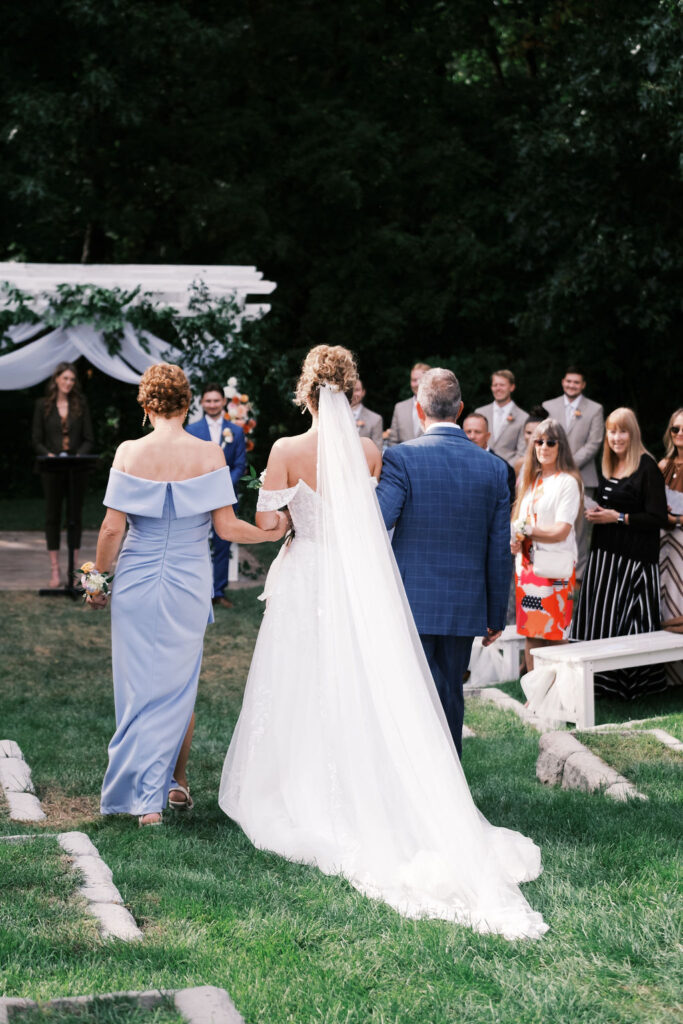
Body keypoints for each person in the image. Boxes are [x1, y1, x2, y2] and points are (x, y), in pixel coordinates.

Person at [220, 347, 546, 940]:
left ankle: (300, 789)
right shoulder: (373, 452)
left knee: (299, 680)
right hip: (355, 583)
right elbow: (374, 523)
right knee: (358, 681)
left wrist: (274, 523)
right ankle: (371, 784)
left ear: (306, 392)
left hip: (305, 576)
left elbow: (269, 527)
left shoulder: (285, 451)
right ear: (351, 392)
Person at [89, 364, 286, 827]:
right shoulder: (209, 453)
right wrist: (271, 532)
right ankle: (158, 793)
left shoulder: (129, 451)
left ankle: (142, 795)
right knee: (177, 687)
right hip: (187, 579)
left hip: (136, 579)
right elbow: (226, 528)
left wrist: (98, 580)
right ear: (187, 402)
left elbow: (112, 528)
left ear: (146, 405)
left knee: (136, 686)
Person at [379, 370, 511, 755]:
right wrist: (496, 615)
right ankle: (449, 773)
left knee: (411, 691)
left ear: (419, 410)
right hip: (464, 603)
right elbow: (498, 549)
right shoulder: (494, 468)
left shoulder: (401, 458)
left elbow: (377, 519)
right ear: (460, 409)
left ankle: (413, 771)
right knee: (451, 690)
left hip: (412, 600)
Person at [570, 408, 668, 699]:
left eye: (622, 431)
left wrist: (618, 517)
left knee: (628, 624)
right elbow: (612, 508)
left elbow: (658, 517)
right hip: (604, 558)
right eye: (612, 431)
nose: (616, 437)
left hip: (633, 562)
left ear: (633, 433)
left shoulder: (647, 467)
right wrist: (598, 513)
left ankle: (631, 687)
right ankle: (598, 684)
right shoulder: (610, 465)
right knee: (601, 621)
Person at [511, 419, 582, 673]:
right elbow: (520, 521)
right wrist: (516, 540)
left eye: (550, 442)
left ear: (561, 446)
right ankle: (535, 691)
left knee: (556, 633)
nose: (543, 447)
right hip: (527, 569)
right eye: (538, 441)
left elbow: (561, 530)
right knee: (531, 632)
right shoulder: (531, 480)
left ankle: (564, 691)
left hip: (555, 569)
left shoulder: (568, 482)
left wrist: (528, 531)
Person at [32, 362, 94, 588]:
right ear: (56, 379)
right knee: (52, 517)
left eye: (72, 379)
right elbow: (36, 439)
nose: (69, 383)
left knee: (75, 517)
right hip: (51, 468)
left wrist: (78, 456)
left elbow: (89, 438)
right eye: (65, 378)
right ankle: (55, 569)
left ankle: (73, 570)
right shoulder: (43, 405)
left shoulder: (81, 403)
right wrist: (48, 454)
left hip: (75, 469)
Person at [185, 383, 248, 608]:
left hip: (225, 497)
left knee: (223, 544)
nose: (212, 404)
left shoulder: (236, 431)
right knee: (196, 543)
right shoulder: (191, 430)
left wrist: (223, 485)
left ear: (224, 402)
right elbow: (188, 464)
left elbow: (240, 465)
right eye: (208, 401)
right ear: (202, 403)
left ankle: (218, 592)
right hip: (198, 496)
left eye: (216, 400)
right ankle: (196, 590)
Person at [543, 368, 604, 579]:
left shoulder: (595, 409)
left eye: (576, 382)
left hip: (582, 476)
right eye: (569, 381)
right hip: (551, 475)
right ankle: (551, 573)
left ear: (583, 385)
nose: (572, 385)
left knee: (578, 530)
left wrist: (567, 462)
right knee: (551, 523)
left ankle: (577, 578)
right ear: (563, 382)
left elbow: (594, 442)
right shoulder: (549, 406)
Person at [658, 407, 683, 686]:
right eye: (675, 428)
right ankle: (665, 675)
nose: (680, 433)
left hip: (682, 543)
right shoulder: (662, 465)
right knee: (664, 599)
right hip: (662, 541)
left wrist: (676, 518)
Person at [475, 369, 528, 467]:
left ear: (512, 387)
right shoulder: (479, 413)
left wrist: (505, 468)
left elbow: (522, 452)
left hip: (509, 470)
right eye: (495, 385)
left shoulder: (523, 417)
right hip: (480, 466)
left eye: (502, 385)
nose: (498, 388)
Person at [463, 412, 516, 509]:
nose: (472, 436)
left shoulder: (502, 467)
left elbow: (506, 506)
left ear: (487, 436)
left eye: (477, 432)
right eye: (468, 431)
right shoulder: (454, 463)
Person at [385, 362, 431, 445]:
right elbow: (392, 442)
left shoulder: (439, 407)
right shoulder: (399, 408)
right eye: (414, 380)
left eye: (421, 380)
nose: (417, 384)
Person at [350, 377, 383, 450]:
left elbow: (378, 451)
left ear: (363, 392)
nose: (353, 393)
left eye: (357, 390)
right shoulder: (335, 417)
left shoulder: (375, 419)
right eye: (350, 389)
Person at [514, 407, 548, 479]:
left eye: (536, 432)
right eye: (528, 433)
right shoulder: (519, 463)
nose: (532, 437)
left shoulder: (551, 462)